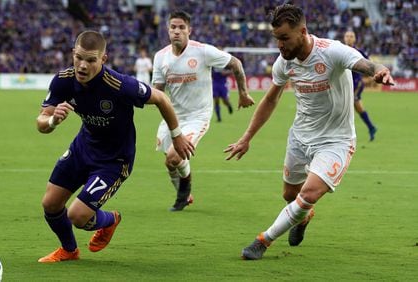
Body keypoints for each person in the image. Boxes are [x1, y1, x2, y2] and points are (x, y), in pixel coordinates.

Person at [224, 4, 394, 260]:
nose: (280, 45)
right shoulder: (284, 63)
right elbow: (270, 100)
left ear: (302, 31)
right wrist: (247, 137)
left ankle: (263, 241)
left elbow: (363, 63)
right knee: (289, 196)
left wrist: (378, 71)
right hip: (300, 137)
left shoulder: (332, 51)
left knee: (308, 194)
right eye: (277, 39)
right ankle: (304, 216)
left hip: (335, 140)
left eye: (284, 38)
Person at [36, 30, 194, 263]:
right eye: (79, 58)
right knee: (50, 203)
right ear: (73, 54)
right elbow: (41, 122)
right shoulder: (63, 80)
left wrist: (177, 135)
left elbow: (161, 98)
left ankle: (110, 220)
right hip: (83, 148)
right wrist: (52, 121)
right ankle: (69, 251)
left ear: (103, 60)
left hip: (114, 160)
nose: (82, 66)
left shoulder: (119, 85)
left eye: (91, 60)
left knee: (77, 216)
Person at [152, 10, 255, 211]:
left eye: (181, 27)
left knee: (175, 156)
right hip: (173, 117)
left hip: (197, 117)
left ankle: (182, 195)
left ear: (190, 30)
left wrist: (243, 93)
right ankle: (186, 195)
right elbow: (157, 91)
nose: (177, 31)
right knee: (170, 162)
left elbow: (235, 63)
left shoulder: (203, 51)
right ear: (168, 30)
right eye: (173, 27)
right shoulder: (160, 57)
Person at [343, 30, 378, 141]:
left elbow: (370, 65)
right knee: (358, 108)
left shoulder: (358, 52)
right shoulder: (339, 51)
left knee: (346, 105)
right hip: (344, 83)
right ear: (344, 38)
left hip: (356, 83)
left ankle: (345, 134)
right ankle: (371, 127)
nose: (349, 38)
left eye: (351, 36)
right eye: (347, 36)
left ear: (354, 39)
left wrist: (371, 77)